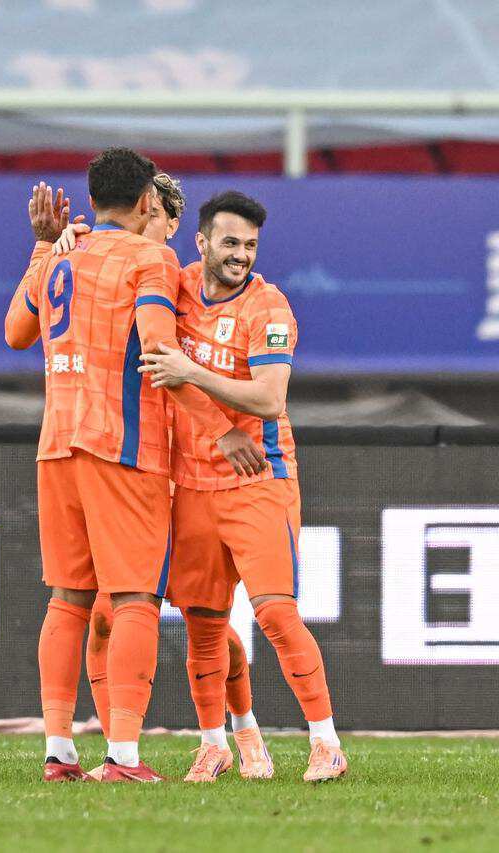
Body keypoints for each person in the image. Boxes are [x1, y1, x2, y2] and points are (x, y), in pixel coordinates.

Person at [3, 149, 266, 783]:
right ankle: (122, 756)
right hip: (124, 447)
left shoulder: (61, 254)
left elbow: (15, 333)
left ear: (92, 199)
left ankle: (59, 752)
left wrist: (41, 247)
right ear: (148, 202)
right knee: (135, 600)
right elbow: (158, 353)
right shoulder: (152, 260)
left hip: (56, 444)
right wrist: (222, 430)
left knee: (68, 600)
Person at [139, 190, 348, 782]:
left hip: (258, 477)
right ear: (201, 241)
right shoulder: (175, 286)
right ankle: (217, 744)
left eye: (250, 246)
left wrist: (192, 371)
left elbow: (270, 398)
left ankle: (327, 743)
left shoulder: (269, 307)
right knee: (204, 625)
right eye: (230, 243)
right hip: (190, 481)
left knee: (277, 615)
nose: (241, 255)